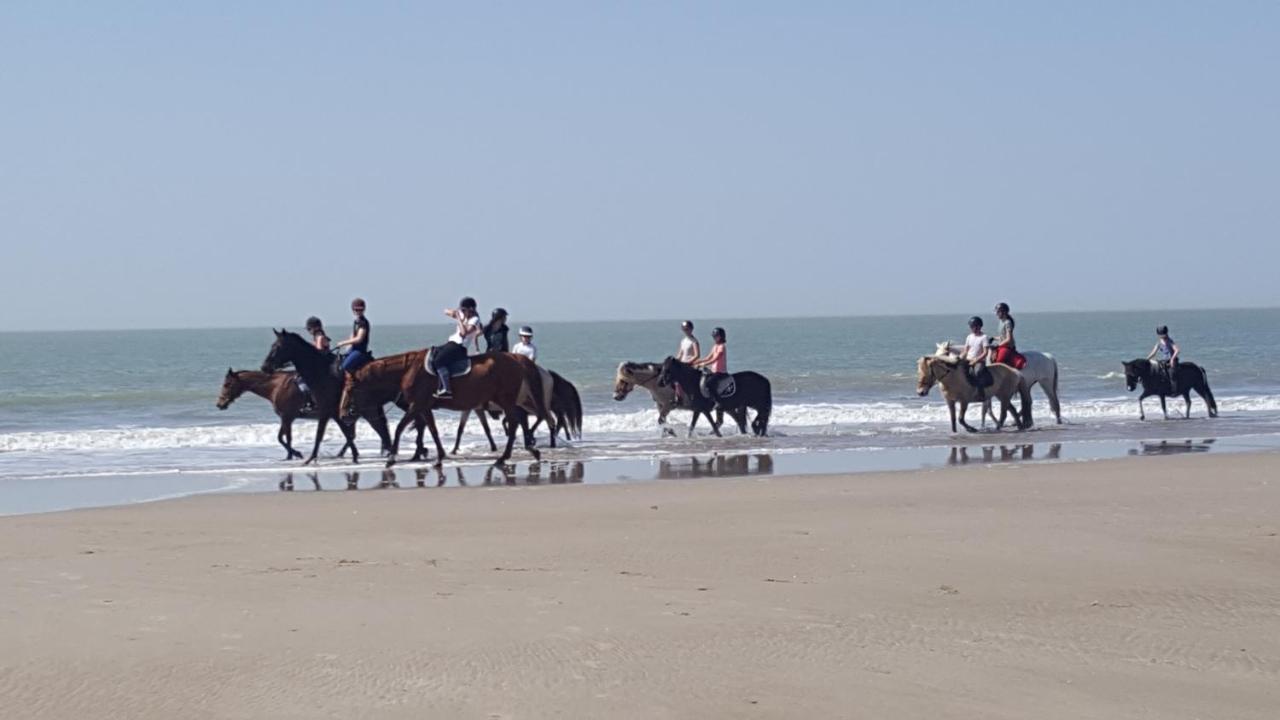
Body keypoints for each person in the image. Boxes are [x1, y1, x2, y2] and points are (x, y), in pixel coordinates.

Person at [431, 297, 483, 399]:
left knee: (438, 361)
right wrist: (455, 313)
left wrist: (459, 319)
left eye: (464, 310)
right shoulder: (464, 316)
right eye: (462, 309)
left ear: (471, 309)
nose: (462, 311)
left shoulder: (475, 320)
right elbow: (446, 311)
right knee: (433, 354)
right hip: (452, 342)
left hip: (459, 346)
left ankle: (447, 389)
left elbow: (464, 333)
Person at [296, 316, 333, 411]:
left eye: (309, 329)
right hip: (322, 362)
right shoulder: (318, 336)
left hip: (324, 364)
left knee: (304, 379)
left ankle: (310, 402)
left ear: (316, 328)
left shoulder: (320, 337)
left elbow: (319, 351)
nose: (309, 331)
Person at [334, 298, 372, 374]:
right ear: (353, 310)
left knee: (344, 366)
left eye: (361, 310)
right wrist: (348, 346)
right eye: (356, 310)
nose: (358, 312)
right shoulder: (356, 321)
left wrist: (343, 343)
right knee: (339, 361)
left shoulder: (363, 323)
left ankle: (352, 382)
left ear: (364, 309)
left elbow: (359, 339)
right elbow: (353, 335)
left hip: (360, 351)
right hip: (353, 349)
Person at [692, 327, 729, 399]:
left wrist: (704, 364)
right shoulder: (715, 346)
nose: (714, 338)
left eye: (716, 336)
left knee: (709, 383)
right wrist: (699, 361)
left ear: (721, 336)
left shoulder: (721, 347)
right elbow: (708, 357)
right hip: (713, 371)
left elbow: (715, 359)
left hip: (720, 372)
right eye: (714, 336)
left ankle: (717, 400)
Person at [1147, 325, 1180, 393]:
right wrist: (1146, 359)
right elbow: (1153, 353)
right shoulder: (1159, 343)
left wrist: (1172, 359)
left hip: (1172, 360)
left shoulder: (1170, 341)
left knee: (1172, 373)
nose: (1162, 336)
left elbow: (1177, 350)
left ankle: (1175, 388)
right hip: (1165, 360)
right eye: (1161, 335)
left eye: (1163, 335)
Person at [963, 316, 990, 393]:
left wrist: (976, 360)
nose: (972, 329)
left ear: (979, 326)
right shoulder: (969, 337)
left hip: (979, 361)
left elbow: (985, 353)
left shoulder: (984, 337)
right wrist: (959, 358)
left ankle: (980, 392)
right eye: (971, 327)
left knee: (977, 372)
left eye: (974, 326)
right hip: (969, 359)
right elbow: (965, 350)